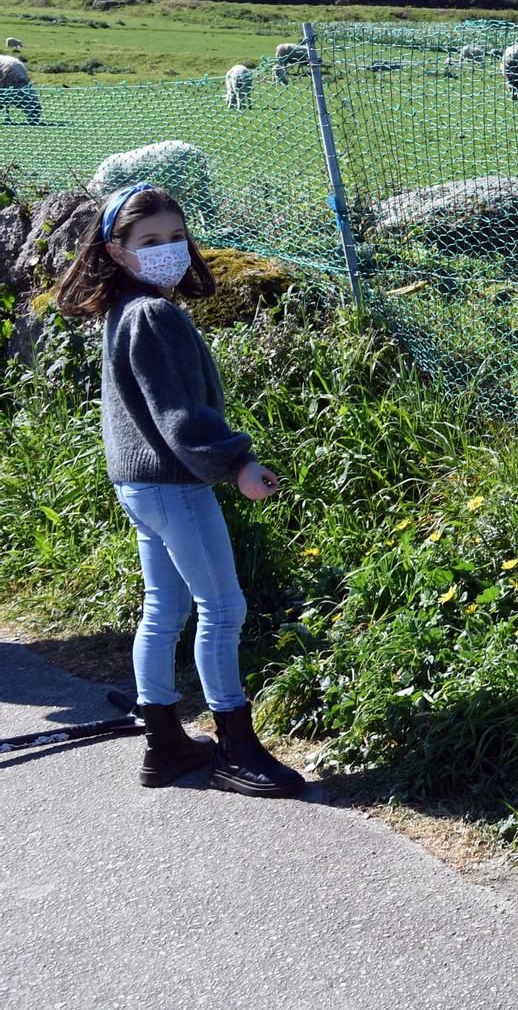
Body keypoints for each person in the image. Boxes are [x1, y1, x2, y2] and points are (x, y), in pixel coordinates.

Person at [53, 183, 305, 796]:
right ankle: (236, 747)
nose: (167, 250)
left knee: (164, 607)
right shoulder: (153, 314)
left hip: (138, 484)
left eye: (174, 238)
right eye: (150, 242)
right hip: (172, 484)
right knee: (223, 609)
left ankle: (162, 743)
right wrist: (238, 462)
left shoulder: (124, 309)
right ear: (117, 250)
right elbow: (180, 416)